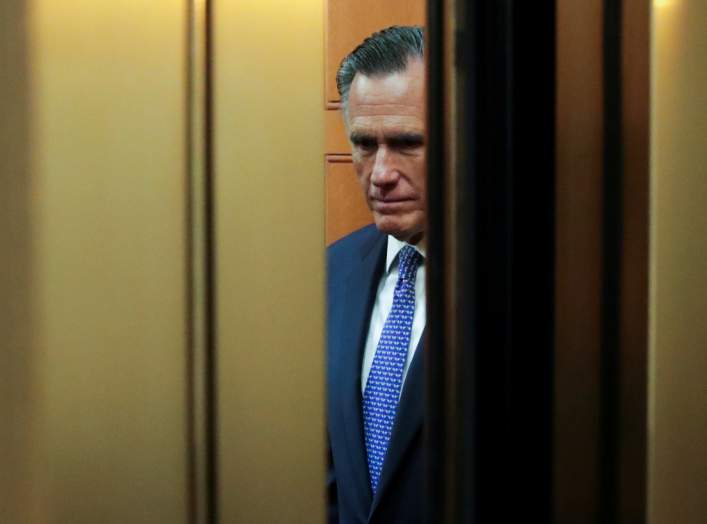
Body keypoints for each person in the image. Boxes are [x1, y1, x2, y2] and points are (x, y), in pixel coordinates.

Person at [327, 26, 427, 523]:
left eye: (407, 143)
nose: (381, 173)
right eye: (365, 145)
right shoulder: (331, 274)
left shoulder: (518, 282)